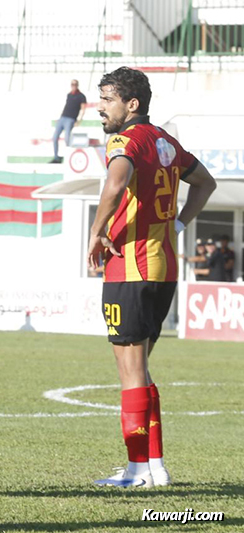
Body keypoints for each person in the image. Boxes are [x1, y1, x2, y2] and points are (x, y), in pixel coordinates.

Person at [88, 67, 217, 488]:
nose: (100, 107)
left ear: (132, 104)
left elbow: (116, 182)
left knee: (129, 370)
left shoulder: (125, 140)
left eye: (107, 99)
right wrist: (178, 225)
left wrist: (97, 231)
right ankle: (155, 467)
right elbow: (205, 182)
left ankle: (137, 470)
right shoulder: (165, 140)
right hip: (163, 265)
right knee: (140, 370)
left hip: (130, 264)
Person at [50, 79, 86, 164]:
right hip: (63, 118)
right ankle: (56, 157)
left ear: (77, 85)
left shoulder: (81, 96)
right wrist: (59, 117)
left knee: (67, 138)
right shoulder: (69, 95)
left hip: (70, 119)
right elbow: (66, 106)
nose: (73, 86)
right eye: (72, 84)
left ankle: (68, 157)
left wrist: (79, 120)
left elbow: (83, 109)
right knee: (55, 137)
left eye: (75, 84)